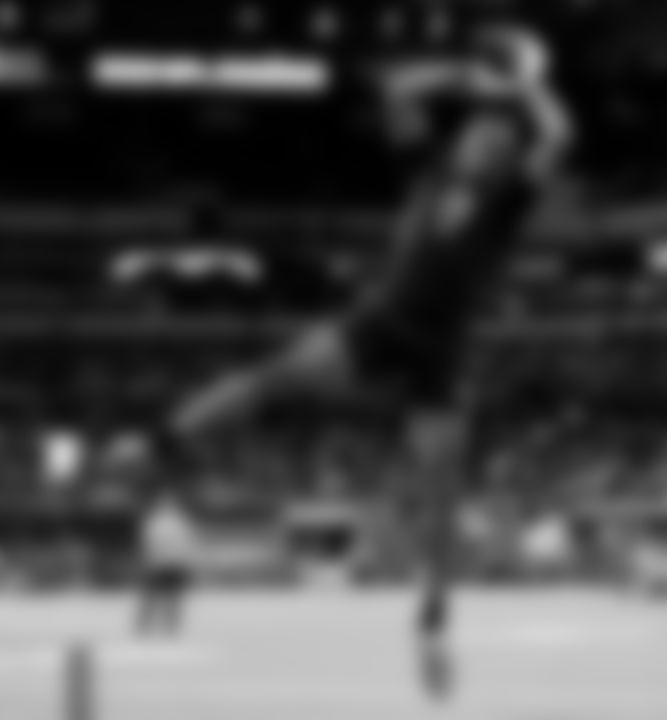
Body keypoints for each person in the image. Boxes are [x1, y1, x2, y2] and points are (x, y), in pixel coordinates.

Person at [146, 22, 573, 698]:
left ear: (504, 152)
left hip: (443, 349)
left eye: (496, 137)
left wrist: (528, 88)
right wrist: (465, 76)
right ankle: (173, 434)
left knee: (441, 494)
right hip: (380, 323)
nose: (482, 139)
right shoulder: (430, 165)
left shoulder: (511, 196)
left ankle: (434, 621)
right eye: (476, 131)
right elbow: (394, 90)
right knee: (281, 374)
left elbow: (557, 137)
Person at [135, 490, 199, 636]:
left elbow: (187, 544)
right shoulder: (157, 522)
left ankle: (167, 627)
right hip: (162, 563)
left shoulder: (179, 522)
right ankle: (148, 626)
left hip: (169, 564)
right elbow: (149, 543)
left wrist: (187, 561)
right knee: (155, 598)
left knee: (170, 598)